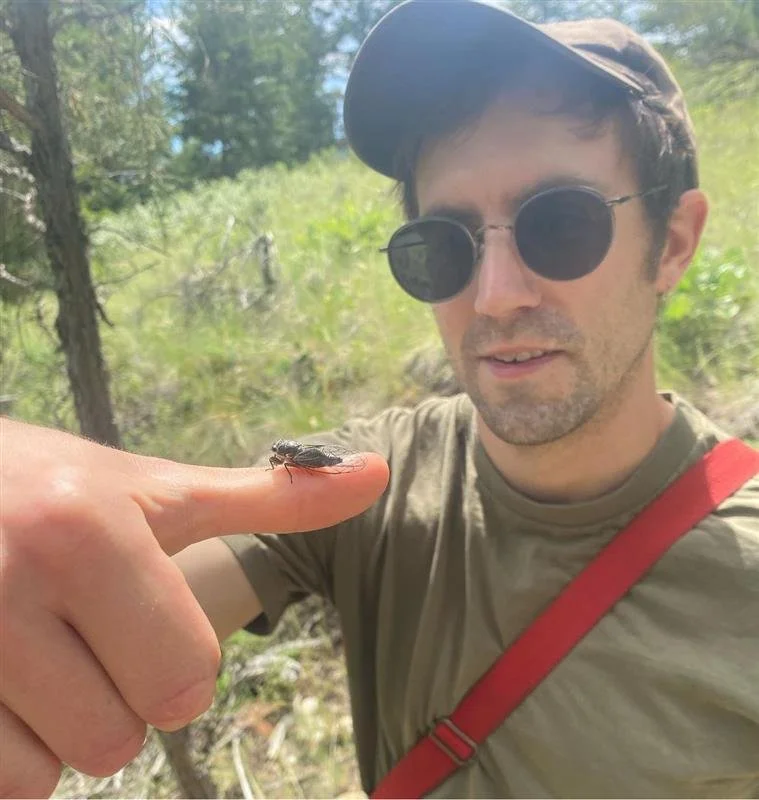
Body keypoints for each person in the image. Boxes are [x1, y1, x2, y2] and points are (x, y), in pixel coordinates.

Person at [1, 0, 758, 797]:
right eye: (443, 246)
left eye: (561, 225)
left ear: (672, 243)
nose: (494, 296)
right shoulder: (371, 482)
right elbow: (119, 591)